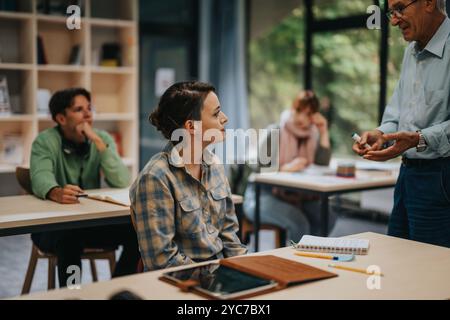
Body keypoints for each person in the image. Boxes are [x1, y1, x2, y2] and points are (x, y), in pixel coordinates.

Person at [353, 0, 450, 248]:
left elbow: (417, 134)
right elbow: (397, 112)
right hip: (407, 175)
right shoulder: (411, 51)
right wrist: (380, 133)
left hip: (440, 178)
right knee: (397, 261)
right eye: (391, 12)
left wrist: (419, 139)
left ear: (428, 2)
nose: (393, 20)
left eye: (400, 9)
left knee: (431, 274)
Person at [129, 81, 247, 271]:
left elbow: (229, 236)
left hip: (220, 273)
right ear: (191, 126)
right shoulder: (156, 177)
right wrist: (216, 279)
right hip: (185, 283)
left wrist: (248, 271)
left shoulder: (214, 165)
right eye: (216, 113)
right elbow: (162, 260)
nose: (225, 118)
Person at [30, 88, 140, 287]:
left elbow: (122, 180)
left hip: (89, 223)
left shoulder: (102, 139)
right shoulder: (44, 141)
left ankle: (117, 292)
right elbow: (39, 177)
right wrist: (55, 191)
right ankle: (73, 293)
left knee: (140, 231)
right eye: (79, 109)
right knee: (68, 237)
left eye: (89, 108)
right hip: (51, 228)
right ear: (61, 118)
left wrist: (97, 141)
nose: (88, 114)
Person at [243, 90, 337, 243]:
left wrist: (323, 131)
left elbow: (321, 165)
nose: (301, 117)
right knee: (299, 222)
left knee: (327, 217)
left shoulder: (313, 134)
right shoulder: (275, 130)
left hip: (296, 196)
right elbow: (259, 169)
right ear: (292, 108)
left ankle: (311, 255)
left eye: (308, 114)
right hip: (262, 196)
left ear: (314, 116)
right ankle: (299, 263)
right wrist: (286, 168)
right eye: (299, 110)